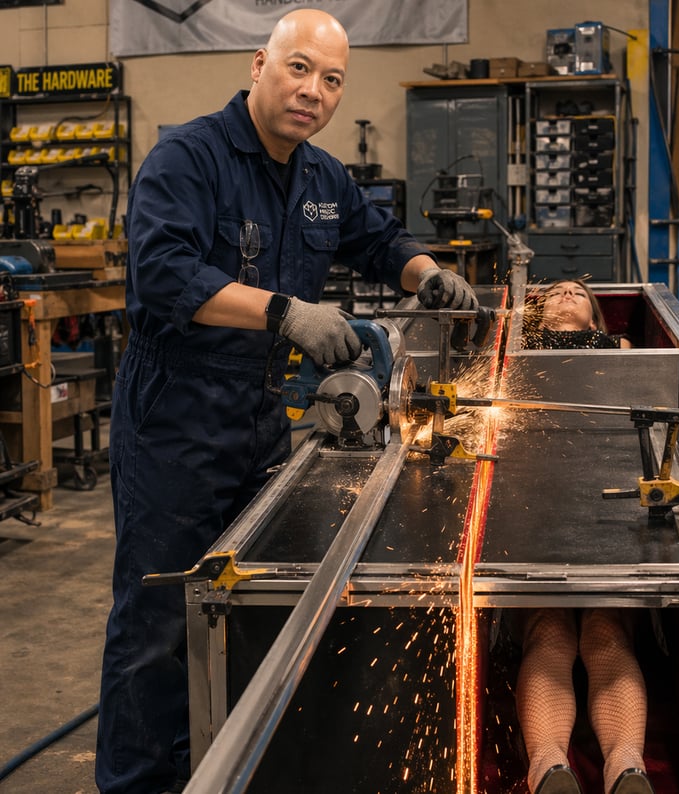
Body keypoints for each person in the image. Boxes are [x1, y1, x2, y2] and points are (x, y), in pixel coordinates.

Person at [95, 9, 478, 793]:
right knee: (158, 617)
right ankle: (138, 782)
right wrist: (283, 311)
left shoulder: (320, 176)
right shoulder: (188, 157)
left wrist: (427, 271)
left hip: (261, 415)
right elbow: (162, 275)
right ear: (259, 63)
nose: (313, 91)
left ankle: (223, 764)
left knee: (245, 598)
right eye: (299, 69)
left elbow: (378, 241)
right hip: (176, 413)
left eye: (331, 79)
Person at [516, 280, 653, 794]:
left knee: (605, 629)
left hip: (606, 500)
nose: (567, 294)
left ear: (596, 320)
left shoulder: (619, 351)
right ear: (536, 312)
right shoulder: (517, 348)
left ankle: (627, 766)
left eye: (578, 292)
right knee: (548, 629)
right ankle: (549, 766)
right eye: (554, 292)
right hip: (533, 503)